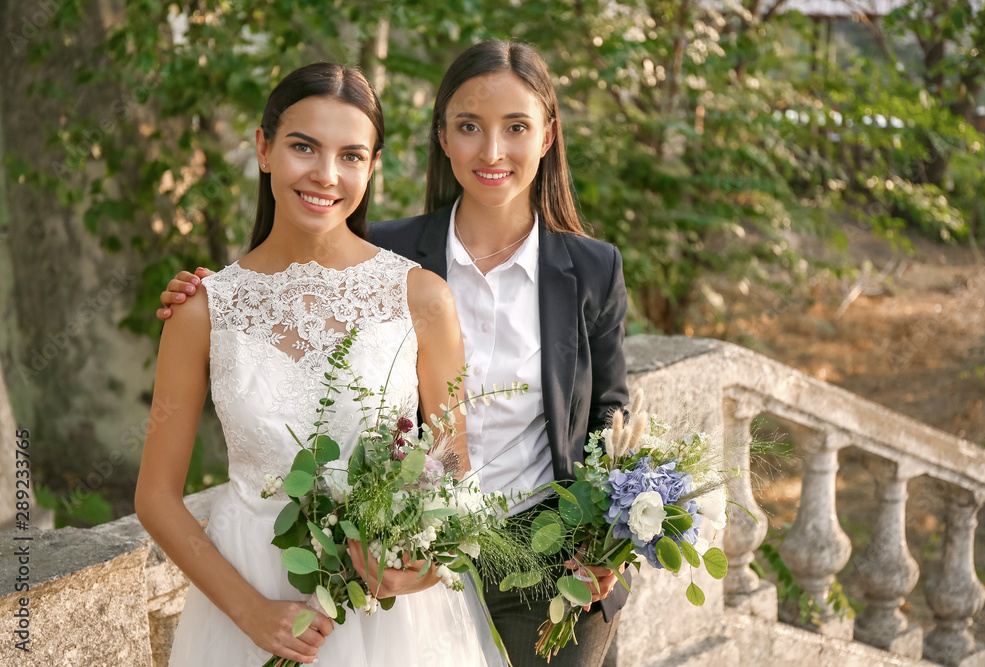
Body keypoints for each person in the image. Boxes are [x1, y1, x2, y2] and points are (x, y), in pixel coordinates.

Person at [158, 40, 630, 667]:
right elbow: (305, 254)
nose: (491, 152)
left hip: (529, 564)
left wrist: (603, 544)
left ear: (547, 135)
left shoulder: (574, 272)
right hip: (288, 579)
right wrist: (204, 303)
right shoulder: (379, 251)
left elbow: (607, 420)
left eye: (515, 127)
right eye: (469, 127)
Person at [137, 61, 504, 667]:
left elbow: (450, 475)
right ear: (263, 149)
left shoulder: (422, 299)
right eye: (303, 146)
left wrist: (418, 571)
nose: (326, 175)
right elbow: (155, 496)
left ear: (372, 166)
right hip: (246, 607)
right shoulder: (202, 310)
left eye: (352, 155)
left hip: (392, 626)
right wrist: (251, 612)